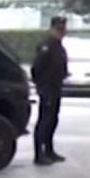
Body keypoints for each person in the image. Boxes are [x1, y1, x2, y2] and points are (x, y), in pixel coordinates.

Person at [31, 16, 69, 166]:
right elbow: (37, 68)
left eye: (63, 29)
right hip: (47, 88)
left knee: (53, 120)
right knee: (44, 121)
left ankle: (49, 150)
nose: (61, 32)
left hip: (56, 87)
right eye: (58, 29)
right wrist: (41, 85)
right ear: (52, 29)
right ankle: (38, 154)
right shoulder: (46, 46)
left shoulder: (59, 46)